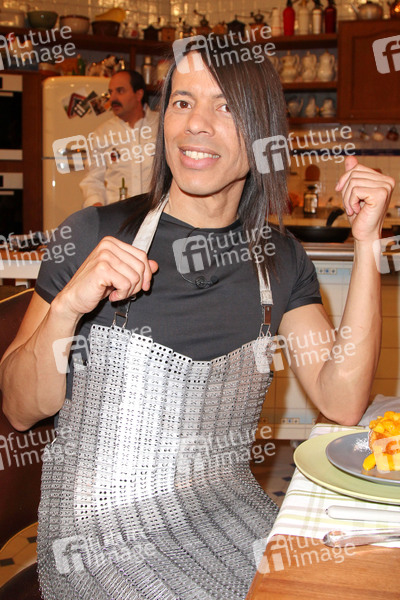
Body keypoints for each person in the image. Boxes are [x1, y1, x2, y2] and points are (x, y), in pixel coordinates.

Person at [0, 39, 395, 600]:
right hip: (101, 543)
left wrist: (367, 243)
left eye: (225, 105)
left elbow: (343, 401)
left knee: (336, 583)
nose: (195, 124)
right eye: (182, 102)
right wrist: (66, 309)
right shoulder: (92, 234)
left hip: (230, 512)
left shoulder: (278, 260)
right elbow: (20, 409)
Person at [79, 69, 159, 207]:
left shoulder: (162, 126)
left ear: (138, 94)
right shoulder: (102, 133)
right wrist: (97, 208)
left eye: (120, 91)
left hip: (157, 214)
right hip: (117, 215)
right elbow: (92, 179)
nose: (113, 99)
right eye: (111, 92)